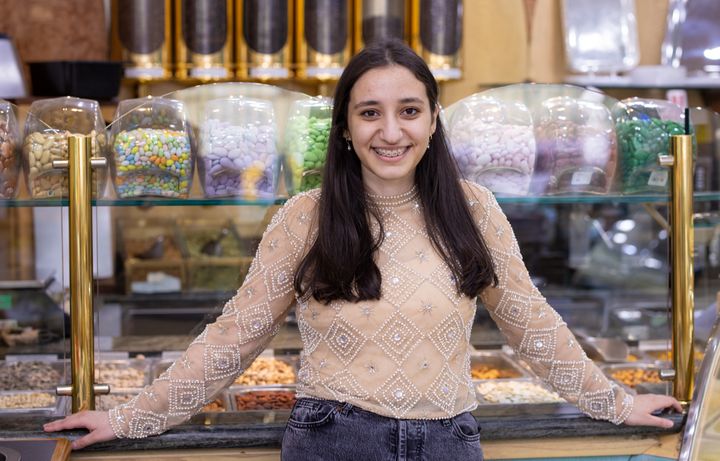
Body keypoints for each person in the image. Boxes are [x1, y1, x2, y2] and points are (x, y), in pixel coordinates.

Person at [45, 39, 682, 460]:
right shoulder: (304, 216)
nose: (391, 130)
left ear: (434, 120)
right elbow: (234, 336)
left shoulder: (475, 209)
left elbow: (531, 322)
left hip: (451, 440)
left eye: (409, 110)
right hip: (333, 439)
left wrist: (618, 402)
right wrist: (130, 418)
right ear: (346, 129)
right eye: (369, 113)